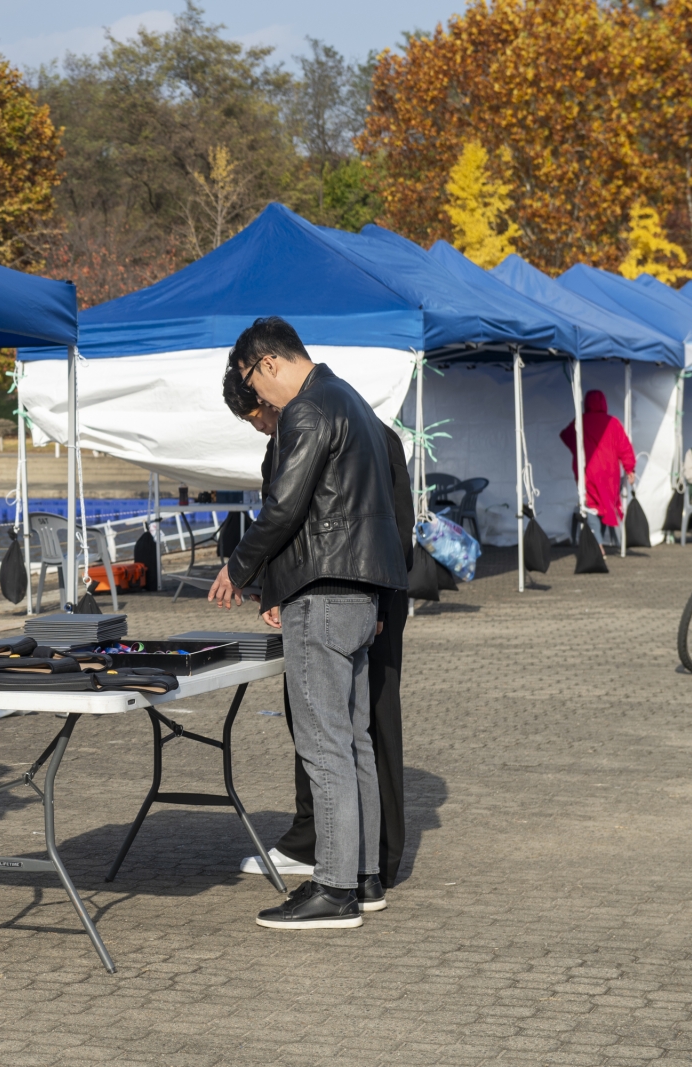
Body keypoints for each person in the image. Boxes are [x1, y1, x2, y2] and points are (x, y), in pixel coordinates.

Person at [207, 317, 408, 929]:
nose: (259, 399)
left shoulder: (309, 408)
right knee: (354, 740)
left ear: (267, 363)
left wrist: (239, 567)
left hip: (322, 593)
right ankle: (365, 877)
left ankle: (334, 889)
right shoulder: (353, 402)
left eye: (253, 384)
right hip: (361, 593)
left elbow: (284, 506)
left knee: (324, 746)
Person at [559, 389, 635, 532]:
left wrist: (579, 448)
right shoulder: (613, 422)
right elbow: (625, 447)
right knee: (607, 505)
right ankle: (602, 538)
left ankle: (597, 541)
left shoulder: (580, 421)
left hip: (587, 471)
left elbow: (565, 435)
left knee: (591, 505)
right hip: (610, 472)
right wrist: (629, 468)